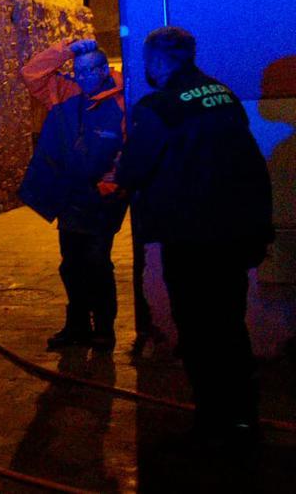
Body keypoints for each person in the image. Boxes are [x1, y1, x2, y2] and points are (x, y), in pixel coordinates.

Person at [112, 26, 273, 444]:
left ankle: (213, 423)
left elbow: (132, 170)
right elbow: (250, 165)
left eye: (146, 60)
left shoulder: (160, 107)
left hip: (191, 237)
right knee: (230, 327)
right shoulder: (223, 96)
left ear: (158, 61)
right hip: (234, 235)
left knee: (199, 333)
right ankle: (243, 418)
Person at [18, 39, 128, 352]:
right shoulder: (67, 95)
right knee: (71, 264)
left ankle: (104, 329)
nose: (85, 76)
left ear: (105, 70)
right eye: (79, 71)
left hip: (102, 202)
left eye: (92, 70)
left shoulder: (123, 101)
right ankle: (77, 325)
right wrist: (67, 50)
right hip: (69, 198)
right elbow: (32, 74)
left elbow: (129, 147)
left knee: (97, 263)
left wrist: (114, 183)